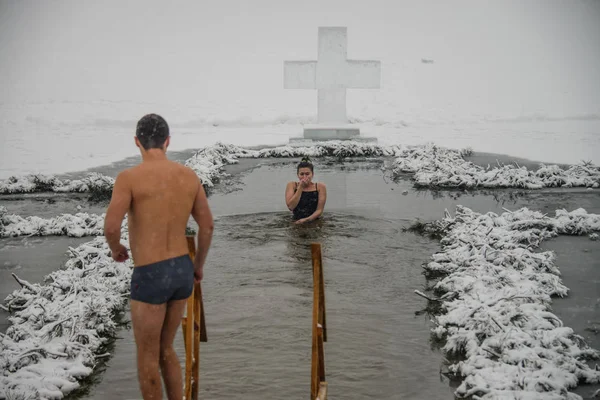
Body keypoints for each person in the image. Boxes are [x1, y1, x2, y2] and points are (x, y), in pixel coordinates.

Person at [103, 113, 214, 400]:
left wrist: (117, 249)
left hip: (151, 273)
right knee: (167, 349)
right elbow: (207, 225)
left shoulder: (129, 178)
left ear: (137, 142)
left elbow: (111, 226)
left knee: (147, 356)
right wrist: (198, 265)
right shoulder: (189, 176)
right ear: (167, 141)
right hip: (181, 270)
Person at [285, 156, 327, 224]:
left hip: (314, 220)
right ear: (298, 175)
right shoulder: (292, 185)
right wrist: (300, 187)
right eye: (302, 174)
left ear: (312, 174)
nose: (304, 177)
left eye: (307, 174)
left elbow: (319, 210)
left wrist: (307, 220)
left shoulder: (320, 187)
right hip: (296, 220)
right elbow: (291, 207)